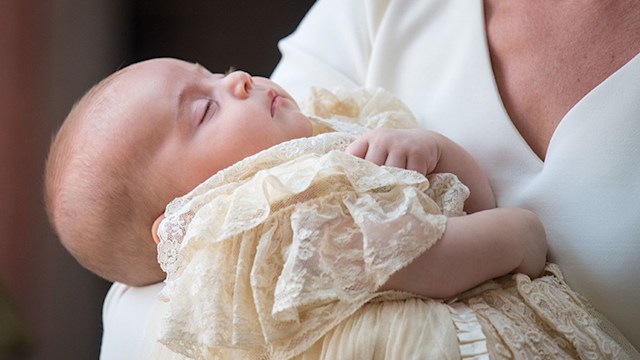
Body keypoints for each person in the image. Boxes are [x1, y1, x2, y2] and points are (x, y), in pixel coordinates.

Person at [46, 58, 635, 359]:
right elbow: (421, 265)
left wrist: (435, 152)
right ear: (183, 217)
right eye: (204, 111)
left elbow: (468, 206)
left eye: (216, 74)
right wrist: (519, 238)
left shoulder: (336, 134)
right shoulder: (261, 225)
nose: (240, 81)